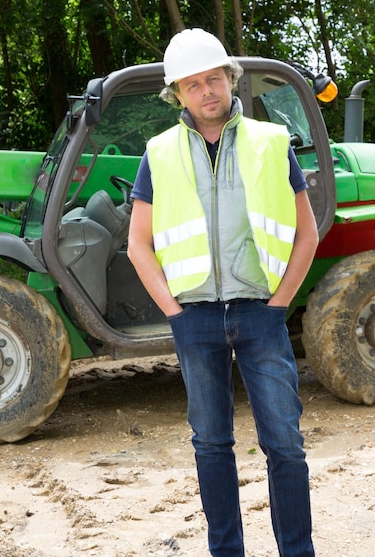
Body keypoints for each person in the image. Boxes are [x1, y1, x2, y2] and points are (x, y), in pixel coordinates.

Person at [127, 28, 318, 557]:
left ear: (230, 79)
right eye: (192, 84)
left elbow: (308, 233)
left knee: (285, 444)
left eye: (214, 78)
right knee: (211, 445)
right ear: (178, 94)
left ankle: (297, 552)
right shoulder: (158, 153)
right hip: (196, 319)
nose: (206, 90)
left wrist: (280, 303)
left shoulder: (270, 142)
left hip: (261, 312)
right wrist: (175, 313)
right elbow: (138, 245)